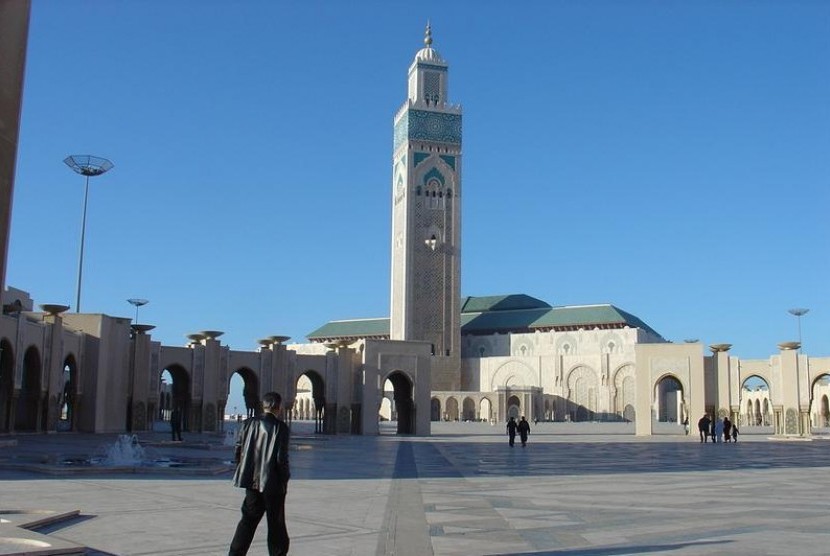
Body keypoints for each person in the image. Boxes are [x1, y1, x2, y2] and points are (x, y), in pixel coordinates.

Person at [229, 392, 290, 556]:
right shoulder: (280, 427)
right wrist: (285, 479)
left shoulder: (248, 423)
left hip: (252, 481)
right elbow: (281, 459)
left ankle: (235, 553)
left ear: (263, 405)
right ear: (279, 407)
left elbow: (238, 450)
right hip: (273, 484)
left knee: (247, 521)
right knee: (276, 525)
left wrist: (244, 469)